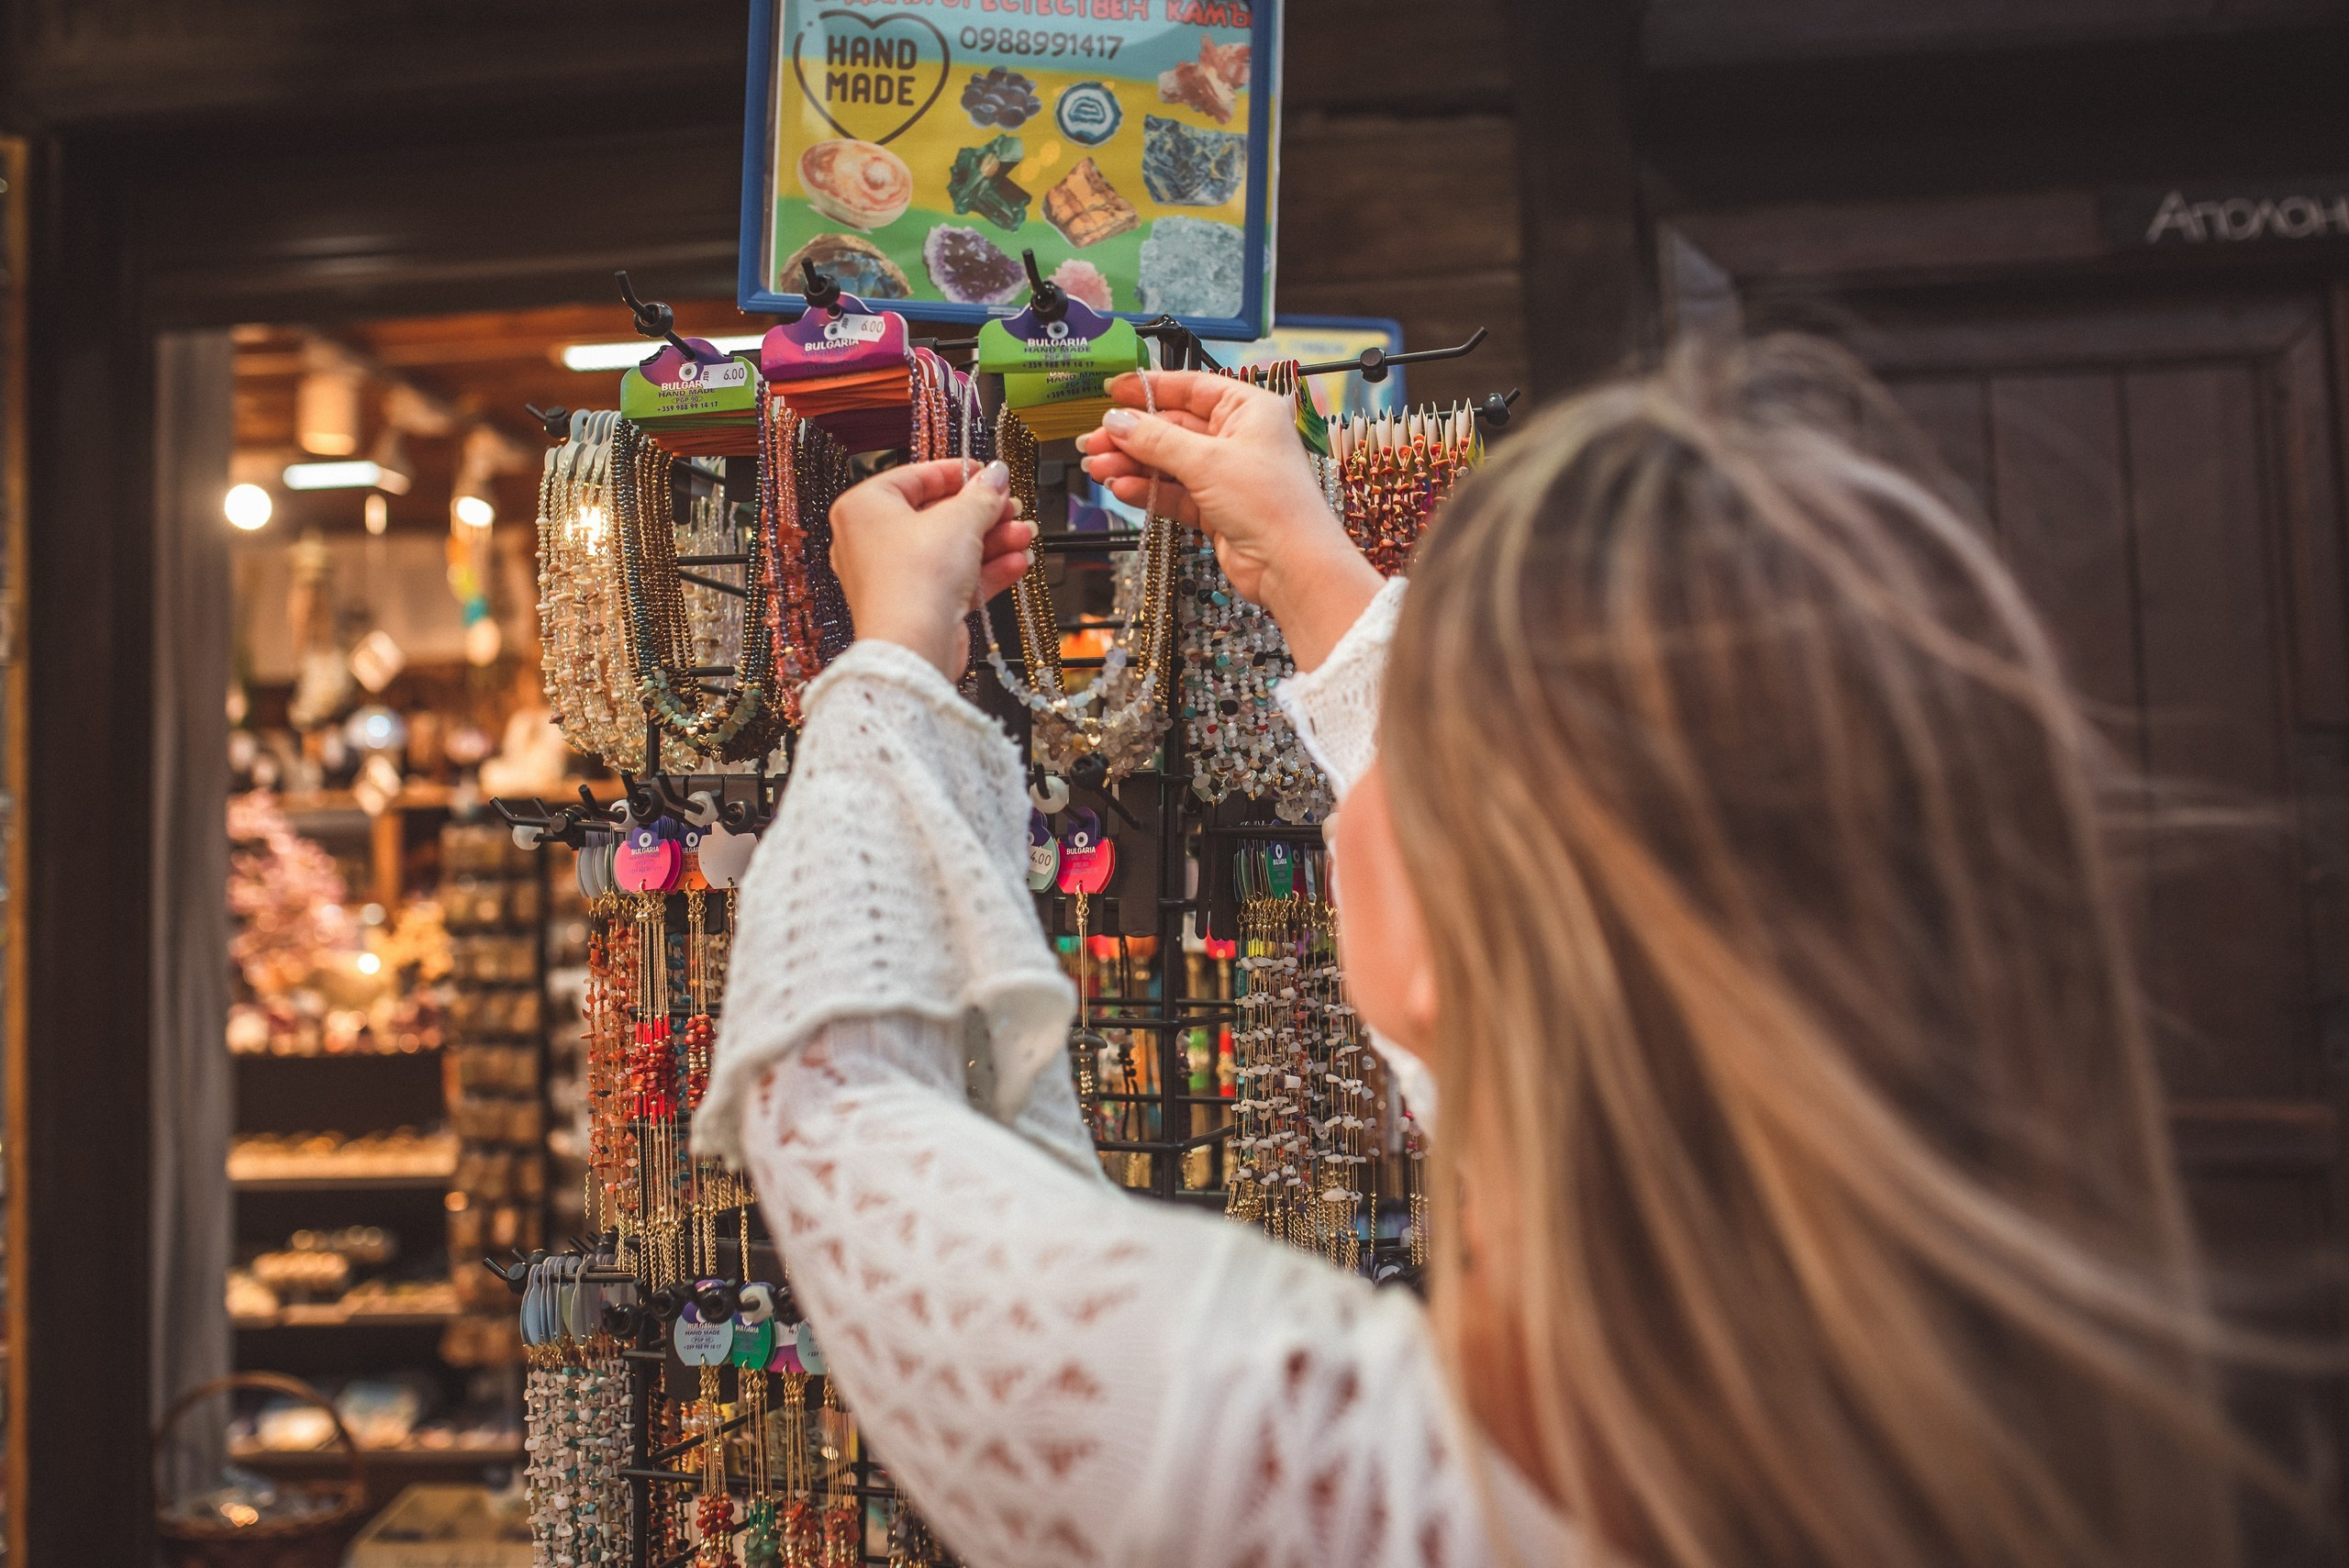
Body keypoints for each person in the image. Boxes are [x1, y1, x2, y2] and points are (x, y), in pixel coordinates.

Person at [692, 338, 2289, 1568]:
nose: (1365, 791)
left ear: (1453, 938)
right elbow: (1588, 1011)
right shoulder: (2012, 1428)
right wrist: (1312, 574)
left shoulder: (1333, 1467)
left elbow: (836, 1110)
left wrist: (892, 664)